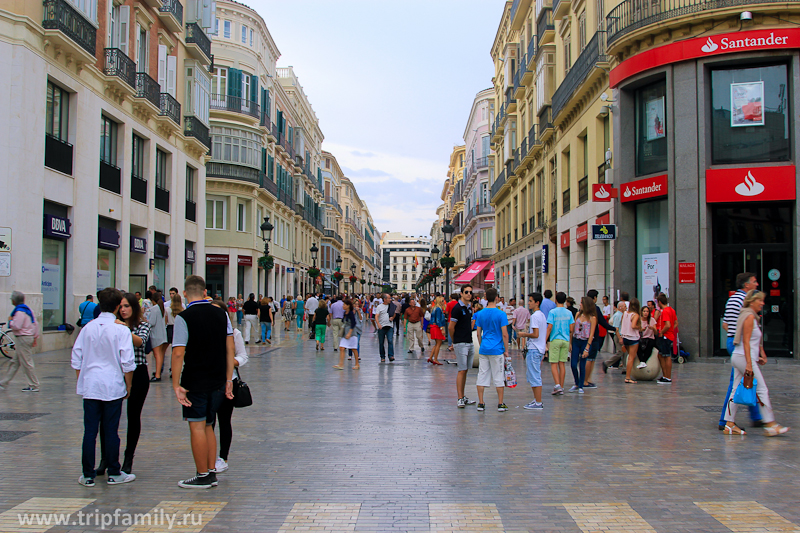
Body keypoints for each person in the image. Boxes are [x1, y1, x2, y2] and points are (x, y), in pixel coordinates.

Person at [171, 275, 235, 489]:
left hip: (195, 380)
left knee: (197, 426)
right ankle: (211, 470)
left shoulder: (184, 317)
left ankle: (202, 475)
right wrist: (228, 379)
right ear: (205, 292)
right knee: (209, 425)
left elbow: (179, 352)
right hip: (218, 379)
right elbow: (230, 348)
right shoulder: (221, 314)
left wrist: (176, 384)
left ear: (186, 293)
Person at [71, 288, 136, 486]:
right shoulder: (121, 330)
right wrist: (129, 385)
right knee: (111, 430)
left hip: (91, 385)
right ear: (117, 306)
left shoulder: (88, 328)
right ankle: (114, 471)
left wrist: (82, 380)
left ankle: (88, 474)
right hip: (113, 385)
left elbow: (76, 359)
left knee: (90, 431)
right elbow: (128, 362)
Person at [95, 293, 150, 477]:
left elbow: (141, 342)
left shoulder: (142, 324)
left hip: (138, 373)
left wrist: (125, 328)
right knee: (108, 418)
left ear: (134, 308)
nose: (124, 309)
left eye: (127, 306)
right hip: (115, 372)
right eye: (121, 306)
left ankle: (128, 458)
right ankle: (106, 458)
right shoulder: (112, 325)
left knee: (133, 416)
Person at [723, 291, 789, 436]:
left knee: (735, 390)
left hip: (741, 357)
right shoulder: (749, 317)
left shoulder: (750, 316)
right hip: (743, 357)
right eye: (760, 300)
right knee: (762, 389)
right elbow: (745, 342)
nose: (763, 303)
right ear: (753, 301)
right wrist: (749, 363)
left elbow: (752, 341)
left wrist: (760, 353)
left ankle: (729, 423)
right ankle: (770, 424)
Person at [718, 272, 762, 431]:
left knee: (744, 379)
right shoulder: (744, 301)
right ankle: (725, 419)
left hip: (732, 340)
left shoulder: (731, 299)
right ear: (746, 285)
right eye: (754, 282)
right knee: (738, 382)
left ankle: (756, 415)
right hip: (740, 343)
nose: (756, 285)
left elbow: (725, 324)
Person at [208, 300, 248, 473]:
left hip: (228, 381)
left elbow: (243, 356)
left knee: (224, 421)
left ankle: (223, 457)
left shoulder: (235, 333)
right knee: (208, 422)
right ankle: (208, 456)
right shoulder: (205, 333)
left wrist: (232, 361)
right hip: (208, 381)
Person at [474, 288, 509, 412]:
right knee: (498, 375)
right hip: (497, 349)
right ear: (497, 298)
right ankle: (500, 403)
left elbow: (478, 333)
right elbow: (505, 334)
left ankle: (481, 402)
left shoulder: (481, 313)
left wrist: (481, 344)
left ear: (485, 298)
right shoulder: (501, 314)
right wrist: (506, 349)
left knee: (482, 375)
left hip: (484, 348)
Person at [1, 291, 40, 392]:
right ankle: (4, 382)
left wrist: (10, 321)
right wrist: (35, 337)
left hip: (23, 338)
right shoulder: (28, 310)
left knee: (27, 362)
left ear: (14, 301)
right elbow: (35, 324)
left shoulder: (19, 312)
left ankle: (34, 385)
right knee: (15, 362)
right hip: (26, 337)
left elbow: (17, 326)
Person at [449, 285, 476, 408]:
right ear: (461, 293)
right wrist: (455, 341)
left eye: (470, 292)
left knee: (465, 370)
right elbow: (451, 327)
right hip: (461, 343)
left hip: (469, 342)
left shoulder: (469, 308)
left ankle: (463, 396)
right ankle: (459, 398)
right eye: (466, 292)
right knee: (461, 370)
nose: (469, 294)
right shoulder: (457, 308)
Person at [518, 293, 547, 410]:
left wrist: (523, 334)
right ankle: (536, 400)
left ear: (537, 303)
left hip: (534, 349)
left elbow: (535, 334)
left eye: (530, 301)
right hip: (538, 348)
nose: (528, 303)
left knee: (534, 375)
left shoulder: (535, 316)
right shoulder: (542, 316)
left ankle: (538, 401)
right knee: (533, 375)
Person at [546, 292, 574, 395]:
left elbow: (549, 327)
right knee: (562, 363)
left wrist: (545, 340)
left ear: (556, 300)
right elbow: (572, 328)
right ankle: (561, 386)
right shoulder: (569, 313)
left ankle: (557, 385)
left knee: (554, 363)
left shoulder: (552, 312)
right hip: (565, 340)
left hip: (555, 339)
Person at [568, 297, 597, 393]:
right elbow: (572, 330)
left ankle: (581, 385)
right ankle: (576, 382)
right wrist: (570, 343)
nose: (580, 305)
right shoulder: (578, 314)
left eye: (581, 303)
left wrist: (587, 347)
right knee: (573, 364)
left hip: (585, 341)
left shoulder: (592, 318)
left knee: (582, 364)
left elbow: (592, 334)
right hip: (576, 340)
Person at [147, 291, 168, 382]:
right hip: (162, 333)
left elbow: (151, 322)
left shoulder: (154, 309)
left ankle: (157, 374)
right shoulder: (162, 308)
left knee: (157, 354)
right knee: (160, 354)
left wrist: (144, 319)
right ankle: (158, 373)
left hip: (155, 334)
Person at [655, 294, 676, 385]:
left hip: (665, 336)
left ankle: (668, 377)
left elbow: (668, 324)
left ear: (659, 302)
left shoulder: (665, 311)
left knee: (666, 356)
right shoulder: (672, 310)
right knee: (661, 355)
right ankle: (665, 376)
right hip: (669, 335)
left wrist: (662, 332)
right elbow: (675, 323)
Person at [334, 300, 360, 370]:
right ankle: (341, 364)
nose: (343, 306)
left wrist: (350, 332)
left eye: (344, 305)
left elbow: (353, 323)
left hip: (351, 333)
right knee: (341, 347)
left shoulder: (351, 313)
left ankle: (357, 364)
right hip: (345, 333)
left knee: (354, 349)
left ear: (348, 306)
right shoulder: (345, 313)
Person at [621, 298, 643, 384]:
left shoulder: (625, 313)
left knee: (629, 356)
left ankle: (628, 374)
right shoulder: (636, 315)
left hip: (625, 336)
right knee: (631, 358)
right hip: (633, 337)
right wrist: (640, 328)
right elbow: (633, 326)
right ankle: (628, 377)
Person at [602, 301, 627, 373]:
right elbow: (616, 328)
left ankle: (625, 368)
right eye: (624, 306)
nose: (626, 307)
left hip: (622, 335)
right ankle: (607, 363)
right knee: (620, 352)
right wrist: (619, 338)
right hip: (618, 336)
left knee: (624, 352)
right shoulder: (618, 315)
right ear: (620, 307)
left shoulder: (622, 315)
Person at [375, 294, 397, 363]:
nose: (390, 300)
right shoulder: (379, 307)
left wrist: (392, 317)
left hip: (389, 326)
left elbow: (394, 313)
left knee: (390, 340)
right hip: (382, 327)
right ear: (384, 299)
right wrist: (378, 324)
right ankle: (382, 356)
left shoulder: (392, 306)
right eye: (389, 298)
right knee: (381, 342)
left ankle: (391, 355)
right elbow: (376, 316)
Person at [636, 305, 657, 370]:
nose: (645, 313)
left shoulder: (652, 320)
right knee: (637, 346)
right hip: (641, 338)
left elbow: (656, 332)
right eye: (644, 311)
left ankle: (643, 361)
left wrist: (653, 328)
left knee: (650, 345)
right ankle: (642, 361)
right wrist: (641, 329)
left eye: (647, 311)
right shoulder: (639, 320)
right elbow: (636, 330)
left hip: (650, 338)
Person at [428, 296, 447, 365]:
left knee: (436, 344)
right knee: (439, 344)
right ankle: (435, 359)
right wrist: (441, 328)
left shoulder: (434, 308)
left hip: (433, 326)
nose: (443, 302)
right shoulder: (439, 309)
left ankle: (431, 357)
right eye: (442, 301)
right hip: (437, 327)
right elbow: (438, 319)